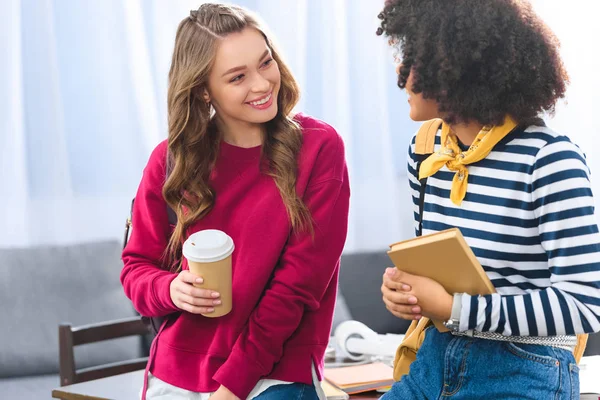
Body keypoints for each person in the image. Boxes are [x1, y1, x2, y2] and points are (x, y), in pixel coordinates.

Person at [121, 4, 350, 400]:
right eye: (238, 77)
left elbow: (296, 289)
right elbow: (135, 269)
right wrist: (171, 289)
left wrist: (231, 388)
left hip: (276, 371)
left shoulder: (318, 148)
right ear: (203, 89)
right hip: (177, 370)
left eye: (266, 63)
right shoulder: (170, 160)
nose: (262, 85)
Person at [376, 0, 600, 398]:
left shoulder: (549, 160)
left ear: (455, 67)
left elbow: (584, 305)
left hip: (523, 369)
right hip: (434, 358)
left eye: (411, 56)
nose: (400, 71)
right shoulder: (425, 150)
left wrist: (452, 309)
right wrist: (407, 292)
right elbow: (439, 267)